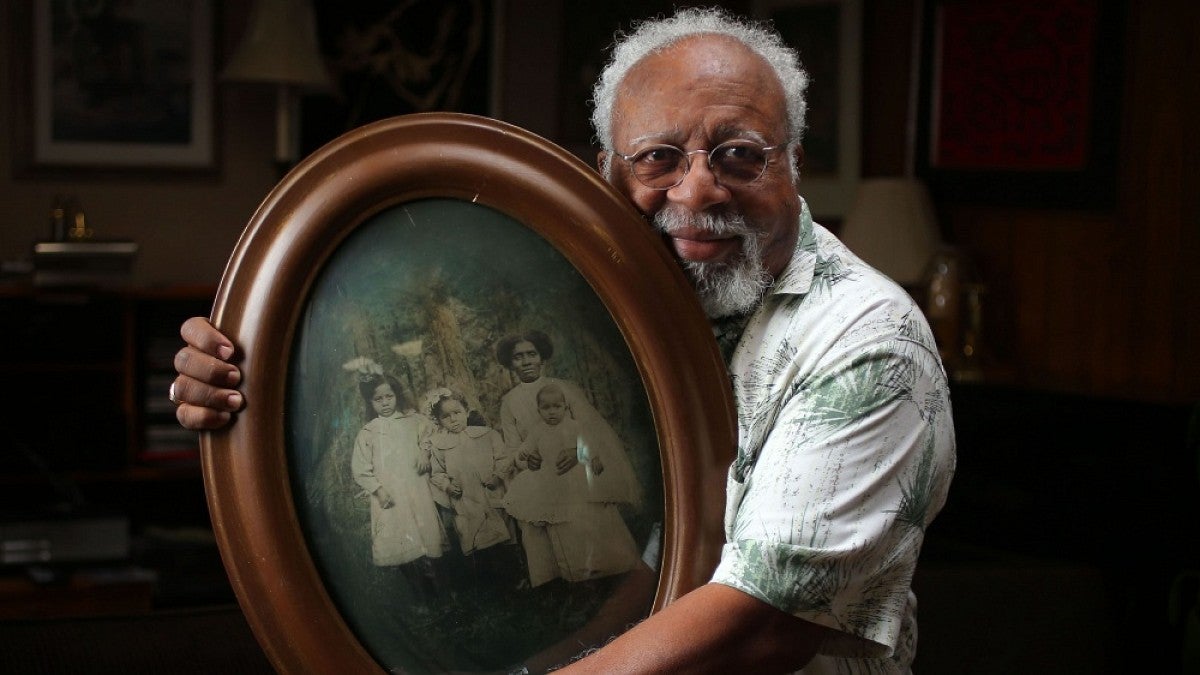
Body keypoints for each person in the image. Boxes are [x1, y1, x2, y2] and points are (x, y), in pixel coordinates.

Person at [171, 7, 955, 673]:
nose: (698, 189)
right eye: (658, 157)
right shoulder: (615, 310)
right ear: (605, 174)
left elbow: (758, 622)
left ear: (794, 165)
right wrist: (255, 379)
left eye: (741, 154)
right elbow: (656, 571)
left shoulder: (869, 342)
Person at [504, 382, 641, 588]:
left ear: (565, 407)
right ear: (539, 410)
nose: (551, 412)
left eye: (556, 407)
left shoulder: (574, 426)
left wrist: (591, 458)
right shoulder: (538, 431)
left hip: (576, 483)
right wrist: (525, 455)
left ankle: (602, 567)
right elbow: (527, 449)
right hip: (552, 484)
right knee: (563, 527)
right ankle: (574, 574)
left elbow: (589, 444)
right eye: (546, 408)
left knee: (586, 521)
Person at [349, 372, 447, 596]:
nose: (385, 403)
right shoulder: (369, 431)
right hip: (391, 493)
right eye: (378, 399)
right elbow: (360, 468)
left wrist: (424, 452)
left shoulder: (412, 421)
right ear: (370, 402)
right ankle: (418, 591)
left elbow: (429, 435)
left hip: (416, 487)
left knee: (424, 532)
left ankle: (438, 590)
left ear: (396, 396)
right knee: (400, 535)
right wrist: (378, 490)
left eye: (388, 396)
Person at [423, 388, 518, 579]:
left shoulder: (487, 434)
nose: (453, 419)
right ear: (439, 421)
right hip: (466, 499)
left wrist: (497, 476)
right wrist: (448, 487)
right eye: (446, 416)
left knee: (503, 534)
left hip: (492, 493)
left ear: (466, 411)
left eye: (457, 413)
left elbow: (503, 458)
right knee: (475, 538)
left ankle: (515, 574)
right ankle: (487, 580)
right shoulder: (440, 445)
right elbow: (437, 473)